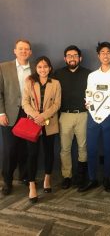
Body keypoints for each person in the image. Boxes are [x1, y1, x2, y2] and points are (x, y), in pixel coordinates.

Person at [78, 42, 110, 193]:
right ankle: (92, 178)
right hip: (92, 116)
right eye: (102, 52)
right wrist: (89, 104)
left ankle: (107, 178)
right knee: (91, 148)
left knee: (109, 148)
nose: (105, 55)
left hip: (109, 115)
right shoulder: (92, 76)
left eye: (108, 52)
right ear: (98, 56)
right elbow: (88, 94)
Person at [22, 56, 61, 203]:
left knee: (49, 152)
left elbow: (57, 104)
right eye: (40, 67)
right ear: (36, 68)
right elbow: (25, 102)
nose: (43, 69)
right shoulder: (29, 81)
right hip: (33, 122)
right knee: (32, 154)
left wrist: (43, 116)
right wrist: (36, 116)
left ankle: (47, 178)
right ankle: (32, 185)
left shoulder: (56, 83)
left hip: (49, 123)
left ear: (50, 68)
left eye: (45, 66)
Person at [0, 39, 34, 195]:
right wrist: (1, 113)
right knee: (10, 149)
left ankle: (25, 177)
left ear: (30, 52)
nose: (23, 51)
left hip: (29, 113)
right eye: (20, 49)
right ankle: (7, 180)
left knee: (26, 148)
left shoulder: (36, 68)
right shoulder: (4, 67)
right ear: (15, 51)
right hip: (10, 114)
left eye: (26, 49)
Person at [54, 45, 90, 189]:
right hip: (64, 115)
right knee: (65, 149)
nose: (72, 58)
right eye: (69, 55)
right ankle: (67, 176)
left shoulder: (89, 74)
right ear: (65, 58)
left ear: (80, 58)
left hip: (83, 115)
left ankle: (81, 176)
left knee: (83, 147)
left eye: (75, 55)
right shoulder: (57, 74)